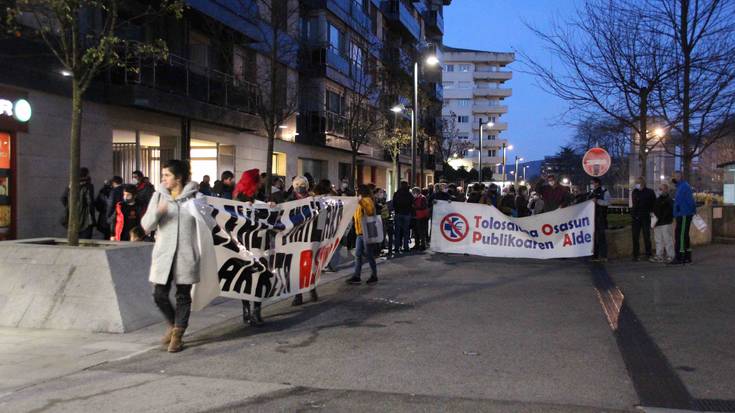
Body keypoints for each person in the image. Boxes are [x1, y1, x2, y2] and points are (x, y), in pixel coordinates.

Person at [141, 160, 201, 353]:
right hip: (164, 254)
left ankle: (178, 334)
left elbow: (208, 223)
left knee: (183, 295)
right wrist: (158, 212)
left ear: (179, 178)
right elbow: (146, 225)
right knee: (159, 294)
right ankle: (174, 324)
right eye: (163, 175)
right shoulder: (158, 196)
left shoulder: (196, 198)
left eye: (167, 175)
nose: (163, 179)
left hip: (186, 253)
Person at [232, 169, 267, 326]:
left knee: (251, 277)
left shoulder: (253, 197)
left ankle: (251, 312)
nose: (261, 181)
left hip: (250, 243)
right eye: (258, 179)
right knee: (253, 277)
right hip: (249, 244)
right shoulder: (241, 199)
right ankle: (252, 312)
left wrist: (269, 207)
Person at [346, 184, 378, 285]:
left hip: (366, 231)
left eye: (357, 190)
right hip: (359, 232)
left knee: (368, 254)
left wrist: (361, 202)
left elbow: (370, 212)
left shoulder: (367, 200)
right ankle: (357, 275)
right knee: (358, 254)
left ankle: (374, 275)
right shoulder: (359, 201)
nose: (356, 192)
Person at [61, 167, 95, 239]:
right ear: (86, 175)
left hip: (73, 218)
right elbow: (90, 202)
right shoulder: (88, 186)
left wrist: (70, 207)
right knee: (85, 242)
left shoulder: (71, 185)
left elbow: (63, 199)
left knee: (74, 241)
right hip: (85, 219)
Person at [671, 171, 696, 264]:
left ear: (681, 177)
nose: (676, 178)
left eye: (678, 176)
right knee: (684, 235)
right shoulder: (680, 186)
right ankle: (686, 257)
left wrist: (692, 211)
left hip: (684, 214)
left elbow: (690, 201)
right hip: (682, 213)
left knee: (680, 235)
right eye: (675, 176)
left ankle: (680, 257)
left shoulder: (684, 186)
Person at [630, 176, 656, 261]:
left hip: (645, 216)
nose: (637, 184)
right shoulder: (635, 192)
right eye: (636, 183)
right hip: (636, 217)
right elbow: (635, 203)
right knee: (635, 236)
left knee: (646, 236)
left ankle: (648, 254)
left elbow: (653, 203)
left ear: (643, 183)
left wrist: (651, 212)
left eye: (639, 182)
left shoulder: (650, 192)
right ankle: (635, 255)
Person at [651, 183, 675, 263]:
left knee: (668, 240)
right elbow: (655, 210)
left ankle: (670, 255)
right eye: (659, 189)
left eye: (661, 189)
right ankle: (659, 255)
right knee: (658, 240)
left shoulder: (669, 200)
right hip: (658, 223)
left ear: (666, 190)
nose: (660, 190)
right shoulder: (658, 200)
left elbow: (669, 212)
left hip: (665, 222)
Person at [589, 177, 611, 262]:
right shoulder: (592, 192)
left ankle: (604, 256)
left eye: (592, 183)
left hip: (601, 218)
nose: (592, 184)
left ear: (597, 183)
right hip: (593, 218)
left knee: (601, 237)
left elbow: (608, 202)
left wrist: (598, 201)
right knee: (594, 238)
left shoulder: (604, 191)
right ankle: (595, 256)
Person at [392, 180, 413, 254]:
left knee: (397, 231)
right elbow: (412, 203)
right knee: (406, 231)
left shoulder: (396, 193)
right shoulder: (409, 194)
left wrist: (396, 210)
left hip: (398, 214)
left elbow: (393, 203)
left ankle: (397, 247)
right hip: (407, 214)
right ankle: (406, 247)